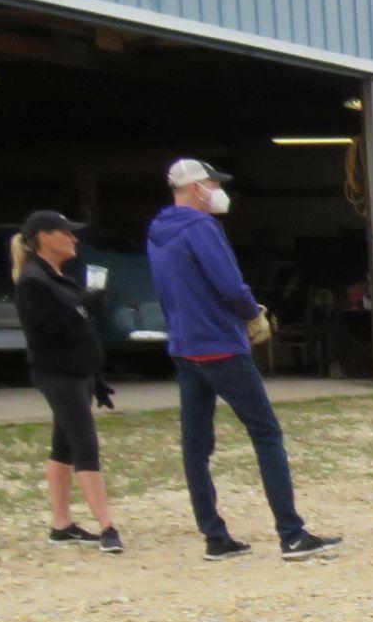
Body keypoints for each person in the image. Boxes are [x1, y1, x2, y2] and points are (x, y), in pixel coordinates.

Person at [145, 157, 341, 562]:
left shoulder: (159, 230)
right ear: (197, 187)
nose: (218, 191)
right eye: (213, 183)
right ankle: (291, 533)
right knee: (266, 434)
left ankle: (214, 536)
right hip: (220, 344)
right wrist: (252, 313)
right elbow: (229, 284)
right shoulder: (202, 227)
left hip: (184, 347)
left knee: (196, 446)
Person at [11, 209, 122, 554]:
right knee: (84, 447)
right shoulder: (33, 280)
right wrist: (80, 309)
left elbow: (76, 329)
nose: (74, 238)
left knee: (63, 447)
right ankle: (107, 527)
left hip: (78, 372)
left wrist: (96, 376)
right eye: (67, 232)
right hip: (58, 374)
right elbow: (42, 333)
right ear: (45, 236)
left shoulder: (56, 276)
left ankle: (61, 525)